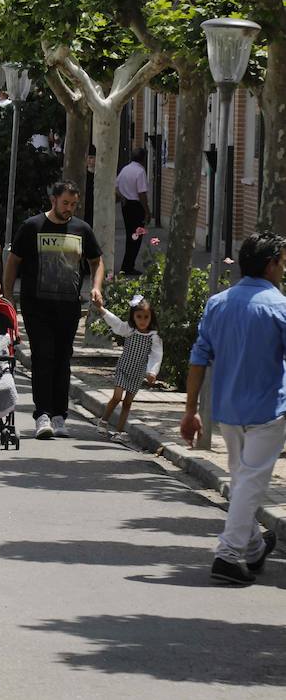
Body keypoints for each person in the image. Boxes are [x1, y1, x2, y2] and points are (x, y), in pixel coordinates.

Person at [181, 232, 285, 585]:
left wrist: (190, 408)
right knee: (250, 484)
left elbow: (199, 358)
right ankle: (227, 555)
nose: (283, 269)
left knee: (243, 481)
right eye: (282, 262)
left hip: (227, 409)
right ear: (271, 265)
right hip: (268, 410)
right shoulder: (279, 307)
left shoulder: (218, 303)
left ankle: (254, 548)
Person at [3, 179, 105, 440]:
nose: (69, 208)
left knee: (62, 359)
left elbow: (96, 261)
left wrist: (96, 286)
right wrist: (8, 296)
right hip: (36, 305)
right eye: (65, 203)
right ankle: (43, 415)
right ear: (53, 200)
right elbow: (13, 262)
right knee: (43, 356)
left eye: (73, 204)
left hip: (68, 307)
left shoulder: (82, 229)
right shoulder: (32, 227)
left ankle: (60, 416)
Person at [97, 296, 163, 442]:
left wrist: (152, 371)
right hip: (124, 368)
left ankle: (119, 432)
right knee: (117, 397)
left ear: (151, 317)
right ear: (133, 316)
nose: (142, 320)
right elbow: (116, 323)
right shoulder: (129, 330)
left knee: (127, 403)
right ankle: (103, 421)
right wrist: (102, 310)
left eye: (146, 317)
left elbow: (156, 355)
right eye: (139, 316)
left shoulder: (154, 337)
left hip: (138, 373)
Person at [116, 148, 150, 275]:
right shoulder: (140, 171)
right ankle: (128, 265)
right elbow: (142, 193)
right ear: (143, 159)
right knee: (136, 236)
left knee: (130, 235)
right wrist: (147, 210)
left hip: (126, 206)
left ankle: (127, 264)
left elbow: (116, 186)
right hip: (136, 206)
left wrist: (122, 197)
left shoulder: (125, 169)